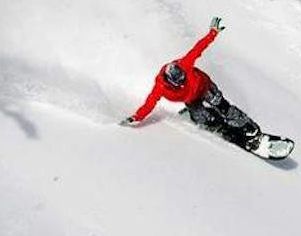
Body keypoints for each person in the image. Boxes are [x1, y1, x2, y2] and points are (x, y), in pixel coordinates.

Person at [124, 17, 289, 157]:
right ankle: (221, 127)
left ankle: (249, 128)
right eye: (180, 81)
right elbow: (149, 104)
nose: (183, 80)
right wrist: (136, 117)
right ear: (170, 82)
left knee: (222, 107)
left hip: (204, 87)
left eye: (183, 77)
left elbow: (198, 48)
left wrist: (213, 33)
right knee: (203, 118)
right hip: (191, 99)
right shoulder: (159, 88)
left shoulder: (184, 64)